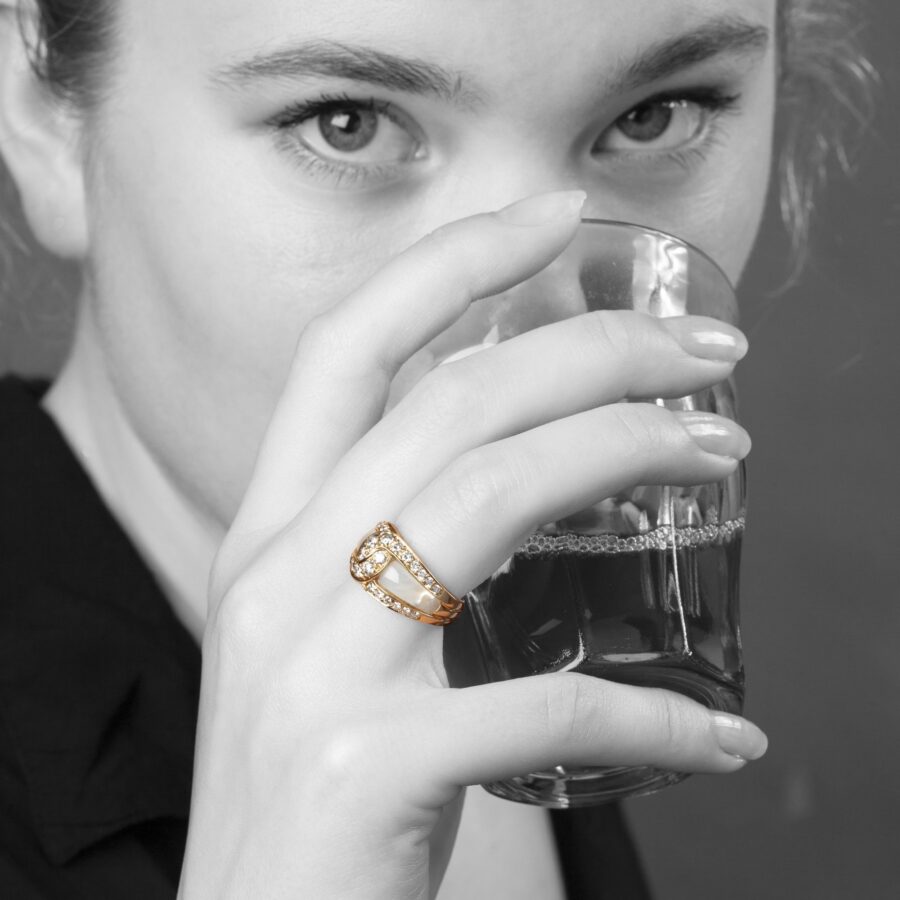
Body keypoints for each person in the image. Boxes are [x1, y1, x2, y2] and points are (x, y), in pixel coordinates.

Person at [0, 0, 865, 897]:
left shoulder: (536, 650)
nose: (539, 318)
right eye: (348, 124)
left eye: (656, 116)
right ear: (38, 112)